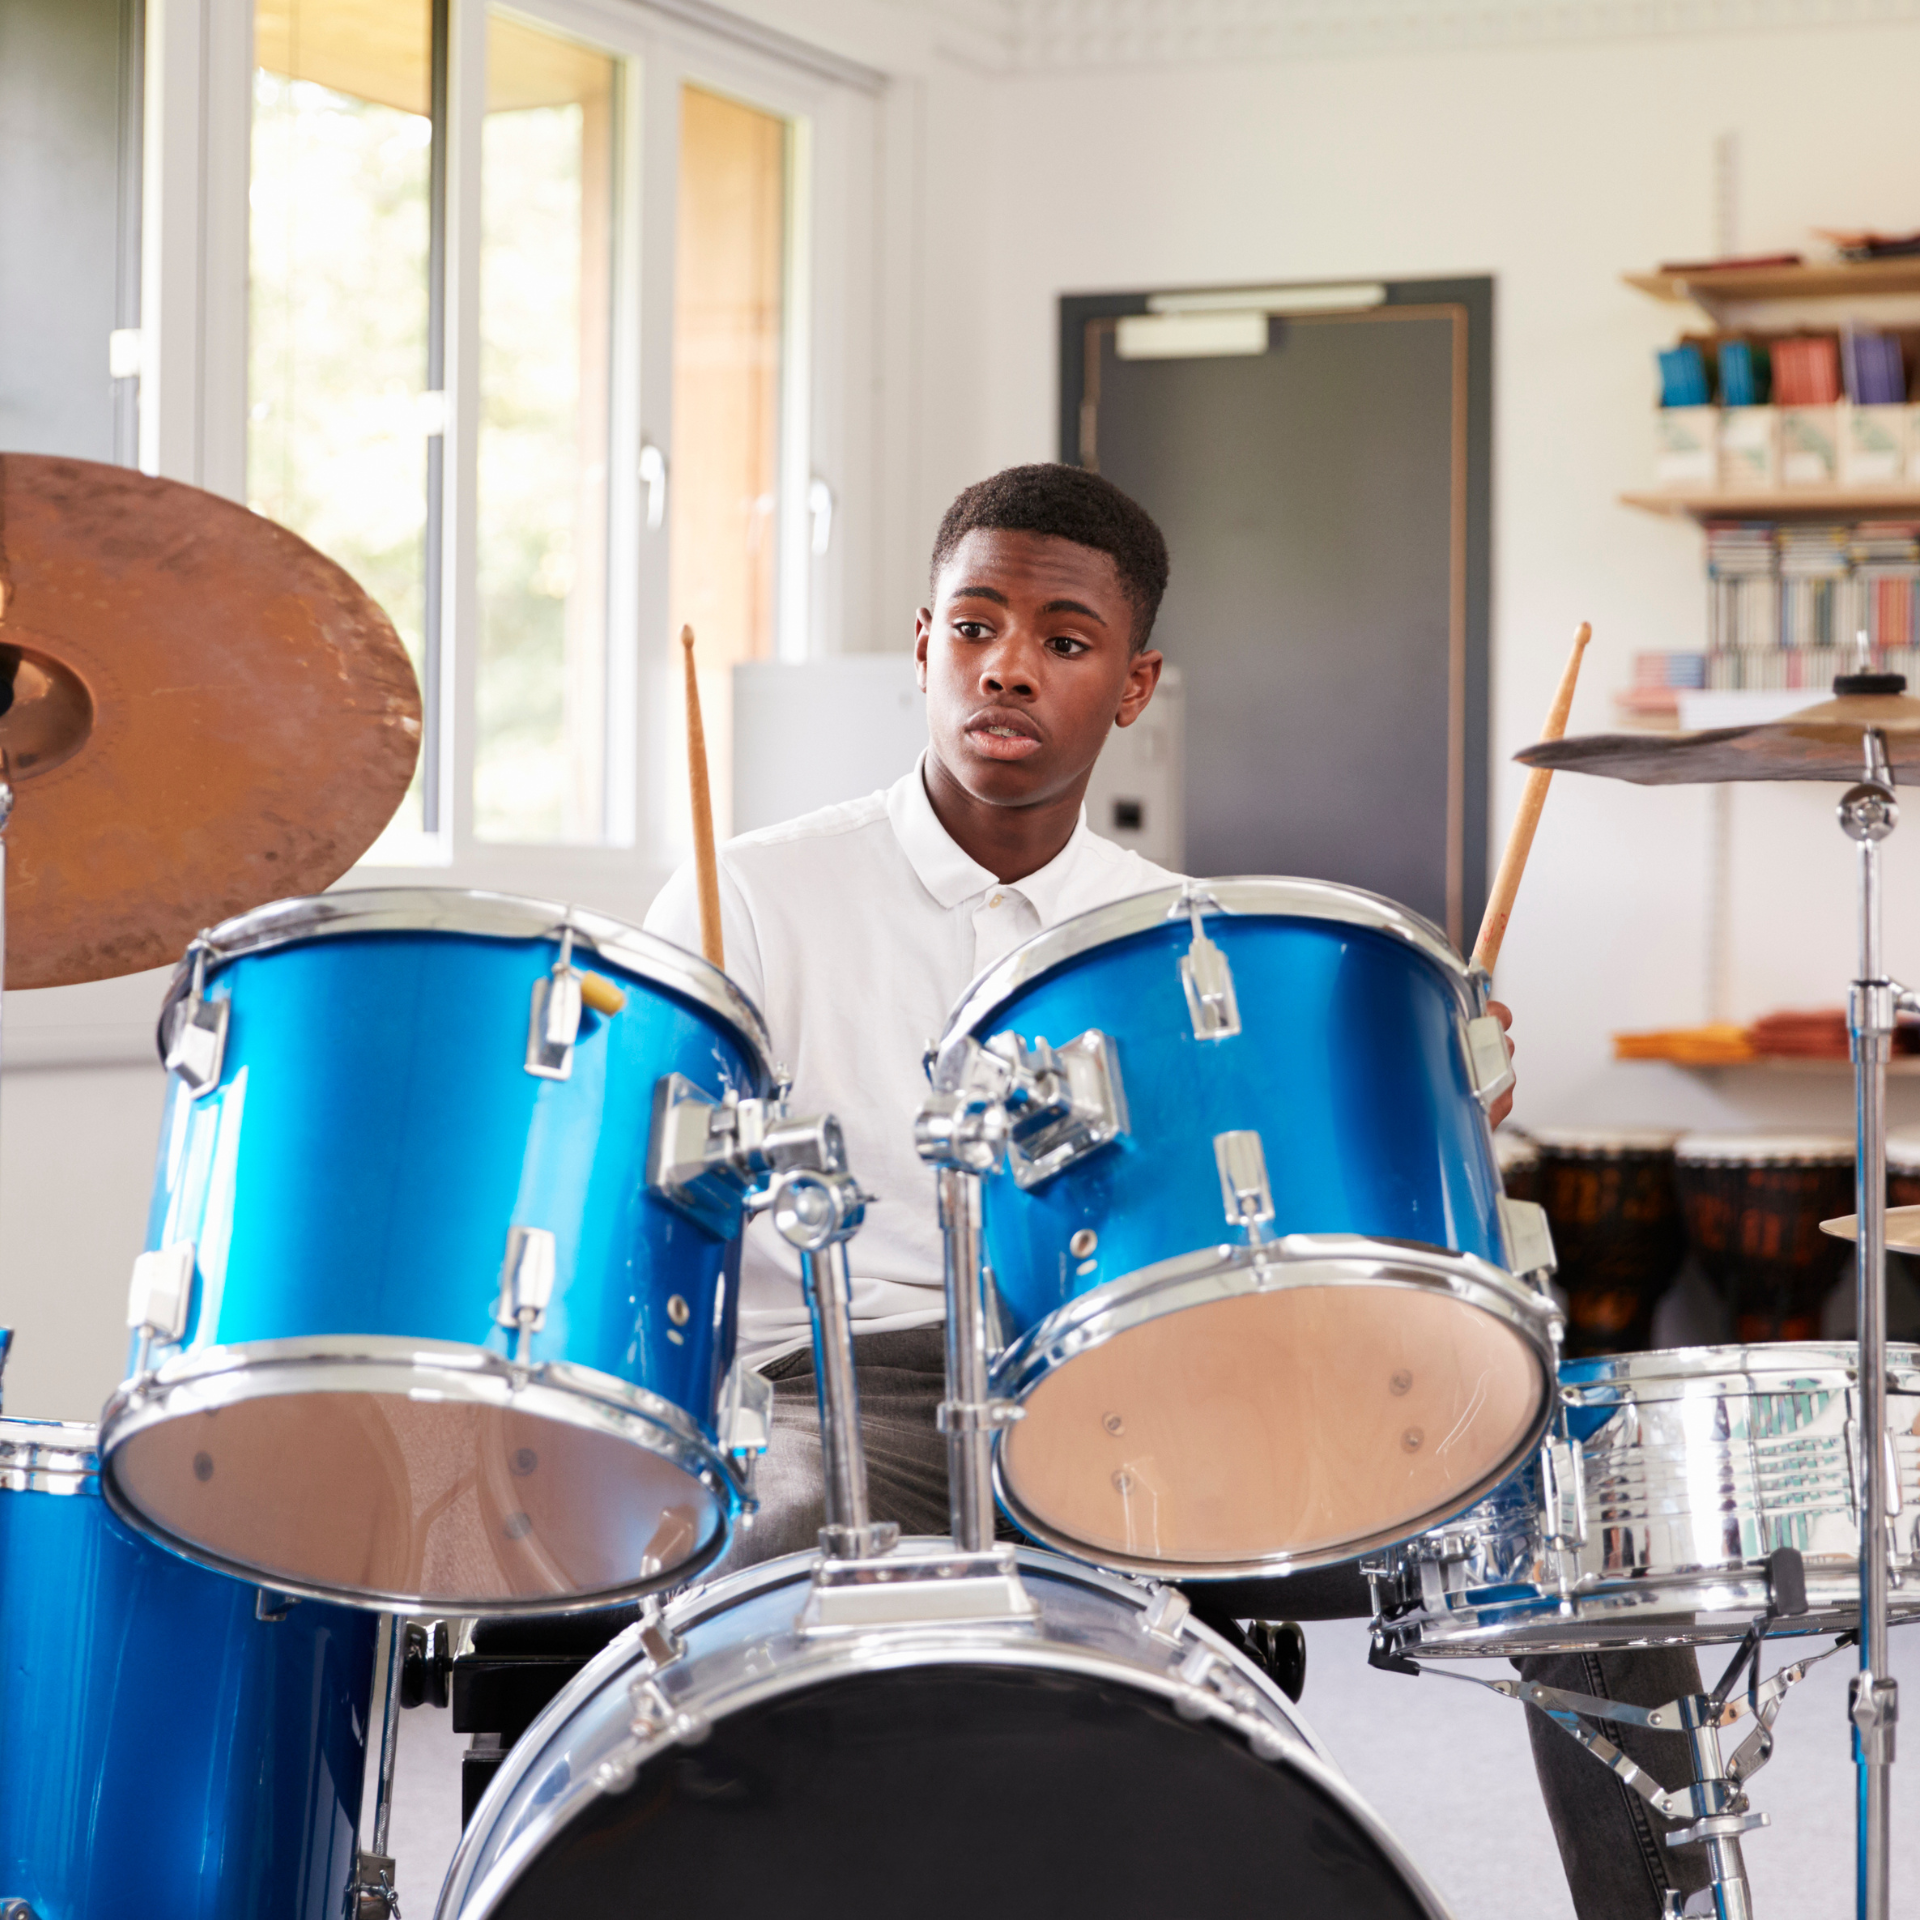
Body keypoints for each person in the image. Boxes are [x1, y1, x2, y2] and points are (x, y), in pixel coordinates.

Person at [647, 462, 1706, 1920]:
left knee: (1572, 1504)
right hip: (850, 1387)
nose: (1008, 666)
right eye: (975, 628)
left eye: (1064, 641)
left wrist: (1445, 1093)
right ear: (921, 646)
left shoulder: (1164, 929)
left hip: (1133, 1385)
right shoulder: (749, 897)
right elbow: (657, 1194)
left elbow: (1260, 1206)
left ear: (1133, 685)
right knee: (772, 1546)